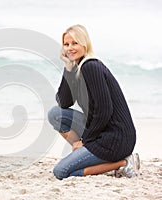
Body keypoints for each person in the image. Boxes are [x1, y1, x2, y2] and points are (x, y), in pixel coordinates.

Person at [48, 24, 140, 180]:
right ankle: (86, 154)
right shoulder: (77, 68)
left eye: (74, 43)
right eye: (66, 44)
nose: (70, 48)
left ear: (85, 44)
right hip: (100, 131)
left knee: (61, 172)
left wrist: (84, 141)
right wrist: (68, 67)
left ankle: (124, 161)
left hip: (115, 138)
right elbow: (63, 102)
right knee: (55, 114)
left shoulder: (91, 66)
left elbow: (104, 110)